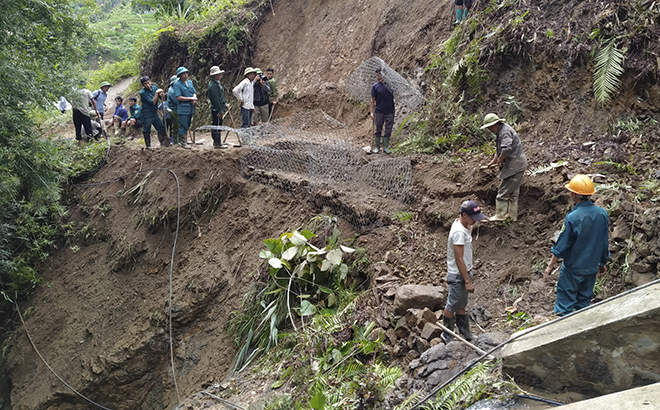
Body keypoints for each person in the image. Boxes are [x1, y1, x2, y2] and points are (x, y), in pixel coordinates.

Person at [544, 175, 610, 316]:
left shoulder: (573, 217)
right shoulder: (602, 214)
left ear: (573, 194)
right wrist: (603, 262)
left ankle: (562, 333)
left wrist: (550, 266)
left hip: (573, 269)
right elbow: (604, 242)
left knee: (564, 306)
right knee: (584, 305)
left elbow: (561, 245)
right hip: (591, 269)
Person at [441, 200, 486, 343]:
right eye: (473, 218)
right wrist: (467, 280)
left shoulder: (461, 224)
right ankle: (446, 334)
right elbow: (459, 259)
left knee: (461, 305)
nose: (475, 221)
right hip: (458, 274)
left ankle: (465, 333)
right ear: (465, 215)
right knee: (452, 305)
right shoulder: (459, 232)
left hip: (464, 272)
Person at [481, 113, 527, 221]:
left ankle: (500, 216)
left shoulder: (505, 132)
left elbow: (506, 149)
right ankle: (512, 216)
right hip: (516, 165)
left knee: (503, 191)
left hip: (515, 166)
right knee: (513, 193)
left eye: (489, 127)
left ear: (495, 124)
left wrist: (500, 160)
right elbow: (500, 149)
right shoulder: (501, 131)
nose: (489, 130)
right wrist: (494, 161)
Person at [139, 76, 170, 149]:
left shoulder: (155, 88)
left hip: (154, 112)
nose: (147, 85)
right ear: (143, 85)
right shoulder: (143, 93)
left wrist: (161, 94)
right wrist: (156, 93)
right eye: (145, 84)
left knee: (161, 127)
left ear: (150, 81)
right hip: (147, 113)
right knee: (147, 129)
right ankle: (148, 145)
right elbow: (152, 101)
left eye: (148, 82)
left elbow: (161, 98)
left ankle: (163, 143)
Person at [370, 68, 395, 154]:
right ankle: (377, 147)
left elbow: (398, 95)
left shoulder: (391, 86)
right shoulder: (375, 86)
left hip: (390, 111)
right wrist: (372, 112)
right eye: (377, 75)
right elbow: (372, 100)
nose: (377, 77)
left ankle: (386, 147)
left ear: (384, 75)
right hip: (379, 111)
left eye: (379, 75)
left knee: (388, 129)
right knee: (378, 129)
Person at [173, 66, 197, 148]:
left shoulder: (190, 82)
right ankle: (183, 142)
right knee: (183, 124)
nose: (185, 75)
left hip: (190, 107)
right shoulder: (177, 84)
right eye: (183, 74)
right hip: (183, 108)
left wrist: (194, 98)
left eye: (186, 73)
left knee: (188, 124)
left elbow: (194, 92)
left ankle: (185, 140)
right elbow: (179, 97)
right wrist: (191, 98)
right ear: (179, 75)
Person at [207, 65, 229, 149]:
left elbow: (221, 97)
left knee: (218, 124)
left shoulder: (217, 83)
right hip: (216, 109)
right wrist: (220, 110)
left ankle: (217, 142)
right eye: (218, 74)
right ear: (214, 75)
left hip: (219, 108)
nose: (220, 76)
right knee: (217, 125)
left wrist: (225, 104)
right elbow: (216, 99)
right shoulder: (213, 85)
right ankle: (217, 142)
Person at [167, 75, 182, 147]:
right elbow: (177, 100)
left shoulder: (174, 89)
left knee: (179, 125)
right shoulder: (172, 91)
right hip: (173, 110)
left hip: (176, 109)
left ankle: (179, 140)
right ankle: (176, 141)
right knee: (176, 125)